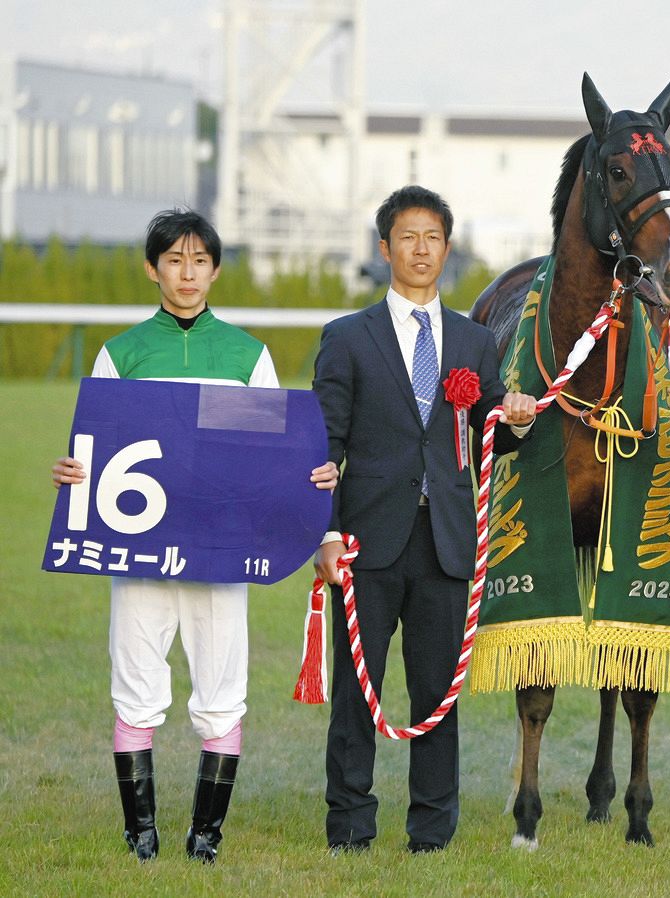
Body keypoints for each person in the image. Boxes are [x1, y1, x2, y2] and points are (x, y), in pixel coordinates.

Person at [50, 209, 339, 864]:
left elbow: (267, 454)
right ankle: (140, 832)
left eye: (199, 261)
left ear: (213, 269)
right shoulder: (122, 353)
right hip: (141, 552)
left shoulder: (246, 355)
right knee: (135, 685)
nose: (187, 274)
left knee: (221, 688)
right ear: (153, 269)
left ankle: (206, 836)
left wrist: (312, 473)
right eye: (174, 261)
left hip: (220, 550)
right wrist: (75, 470)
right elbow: (96, 454)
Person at [313, 185, 536, 855]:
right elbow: (322, 448)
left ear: (447, 248)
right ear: (385, 249)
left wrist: (516, 417)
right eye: (406, 237)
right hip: (364, 540)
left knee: (438, 693)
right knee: (359, 690)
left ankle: (432, 828)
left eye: (432, 238)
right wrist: (324, 532)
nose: (419, 249)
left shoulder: (472, 340)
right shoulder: (346, 338)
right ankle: (350, 823)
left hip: (445, 541)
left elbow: (491, 425)